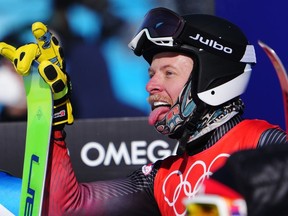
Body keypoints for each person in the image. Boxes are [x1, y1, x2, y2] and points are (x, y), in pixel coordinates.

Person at [0, 7, 287, 216]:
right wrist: (56, 117)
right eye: (151, 73)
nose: (151, 85)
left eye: (169, 73)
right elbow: (65, 209)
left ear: (213, 79)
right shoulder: (161, 177)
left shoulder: (266, 144)